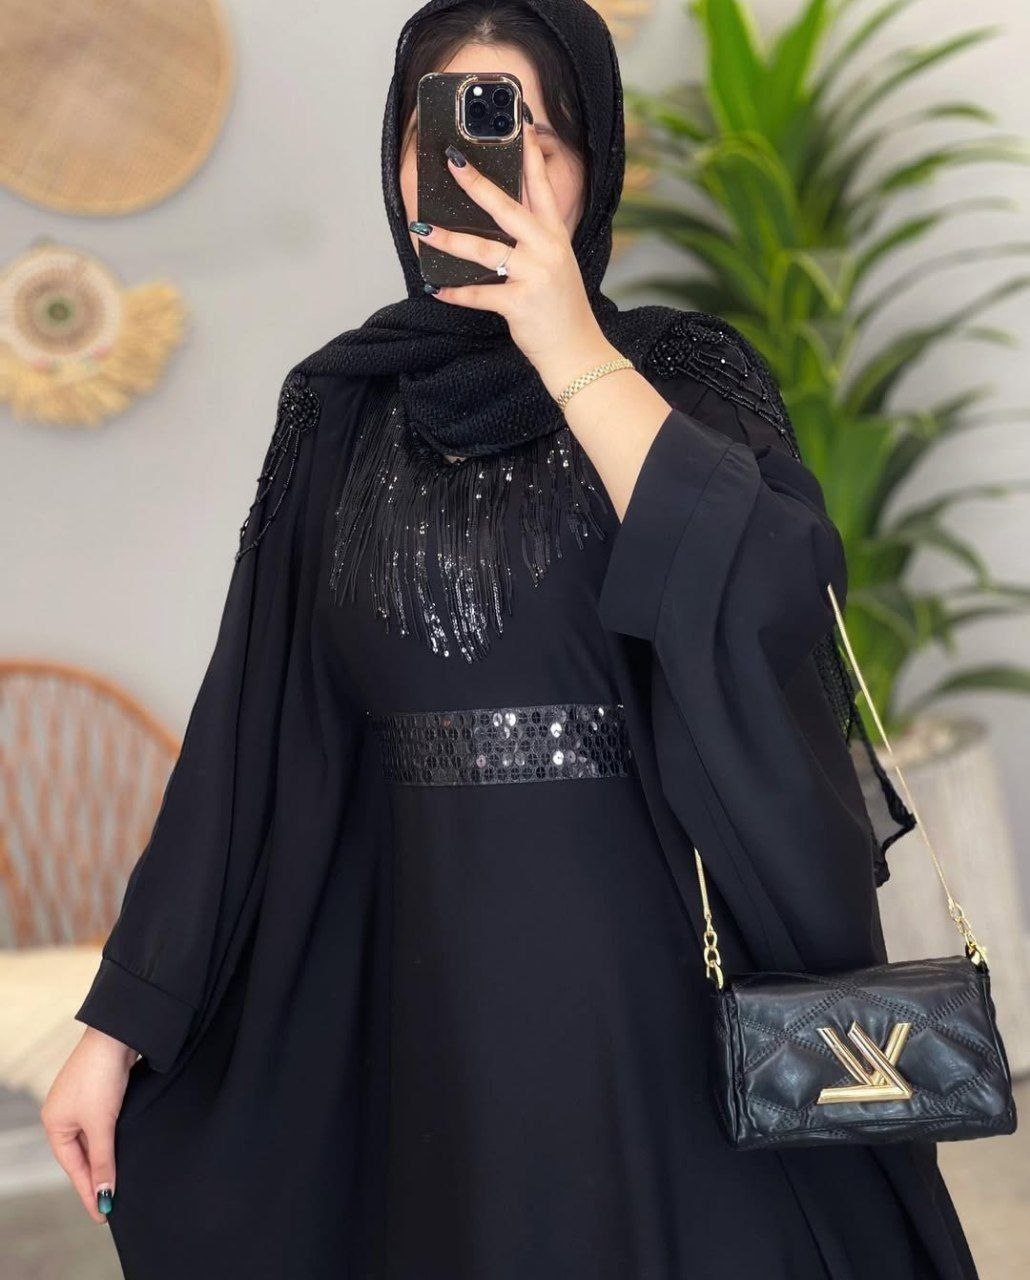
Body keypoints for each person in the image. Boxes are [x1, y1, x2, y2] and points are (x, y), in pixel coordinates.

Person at [41, 1, 980, 1276]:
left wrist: (565, 341)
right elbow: (248, 729)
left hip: (654, 979)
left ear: (594, 162)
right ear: (400, 158)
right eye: (453, 127)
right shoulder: (338, 406)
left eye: (534, 130)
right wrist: (120, 1021)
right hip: (420, 986)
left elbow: (768, 597)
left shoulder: (683, 374)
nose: (496, 164)